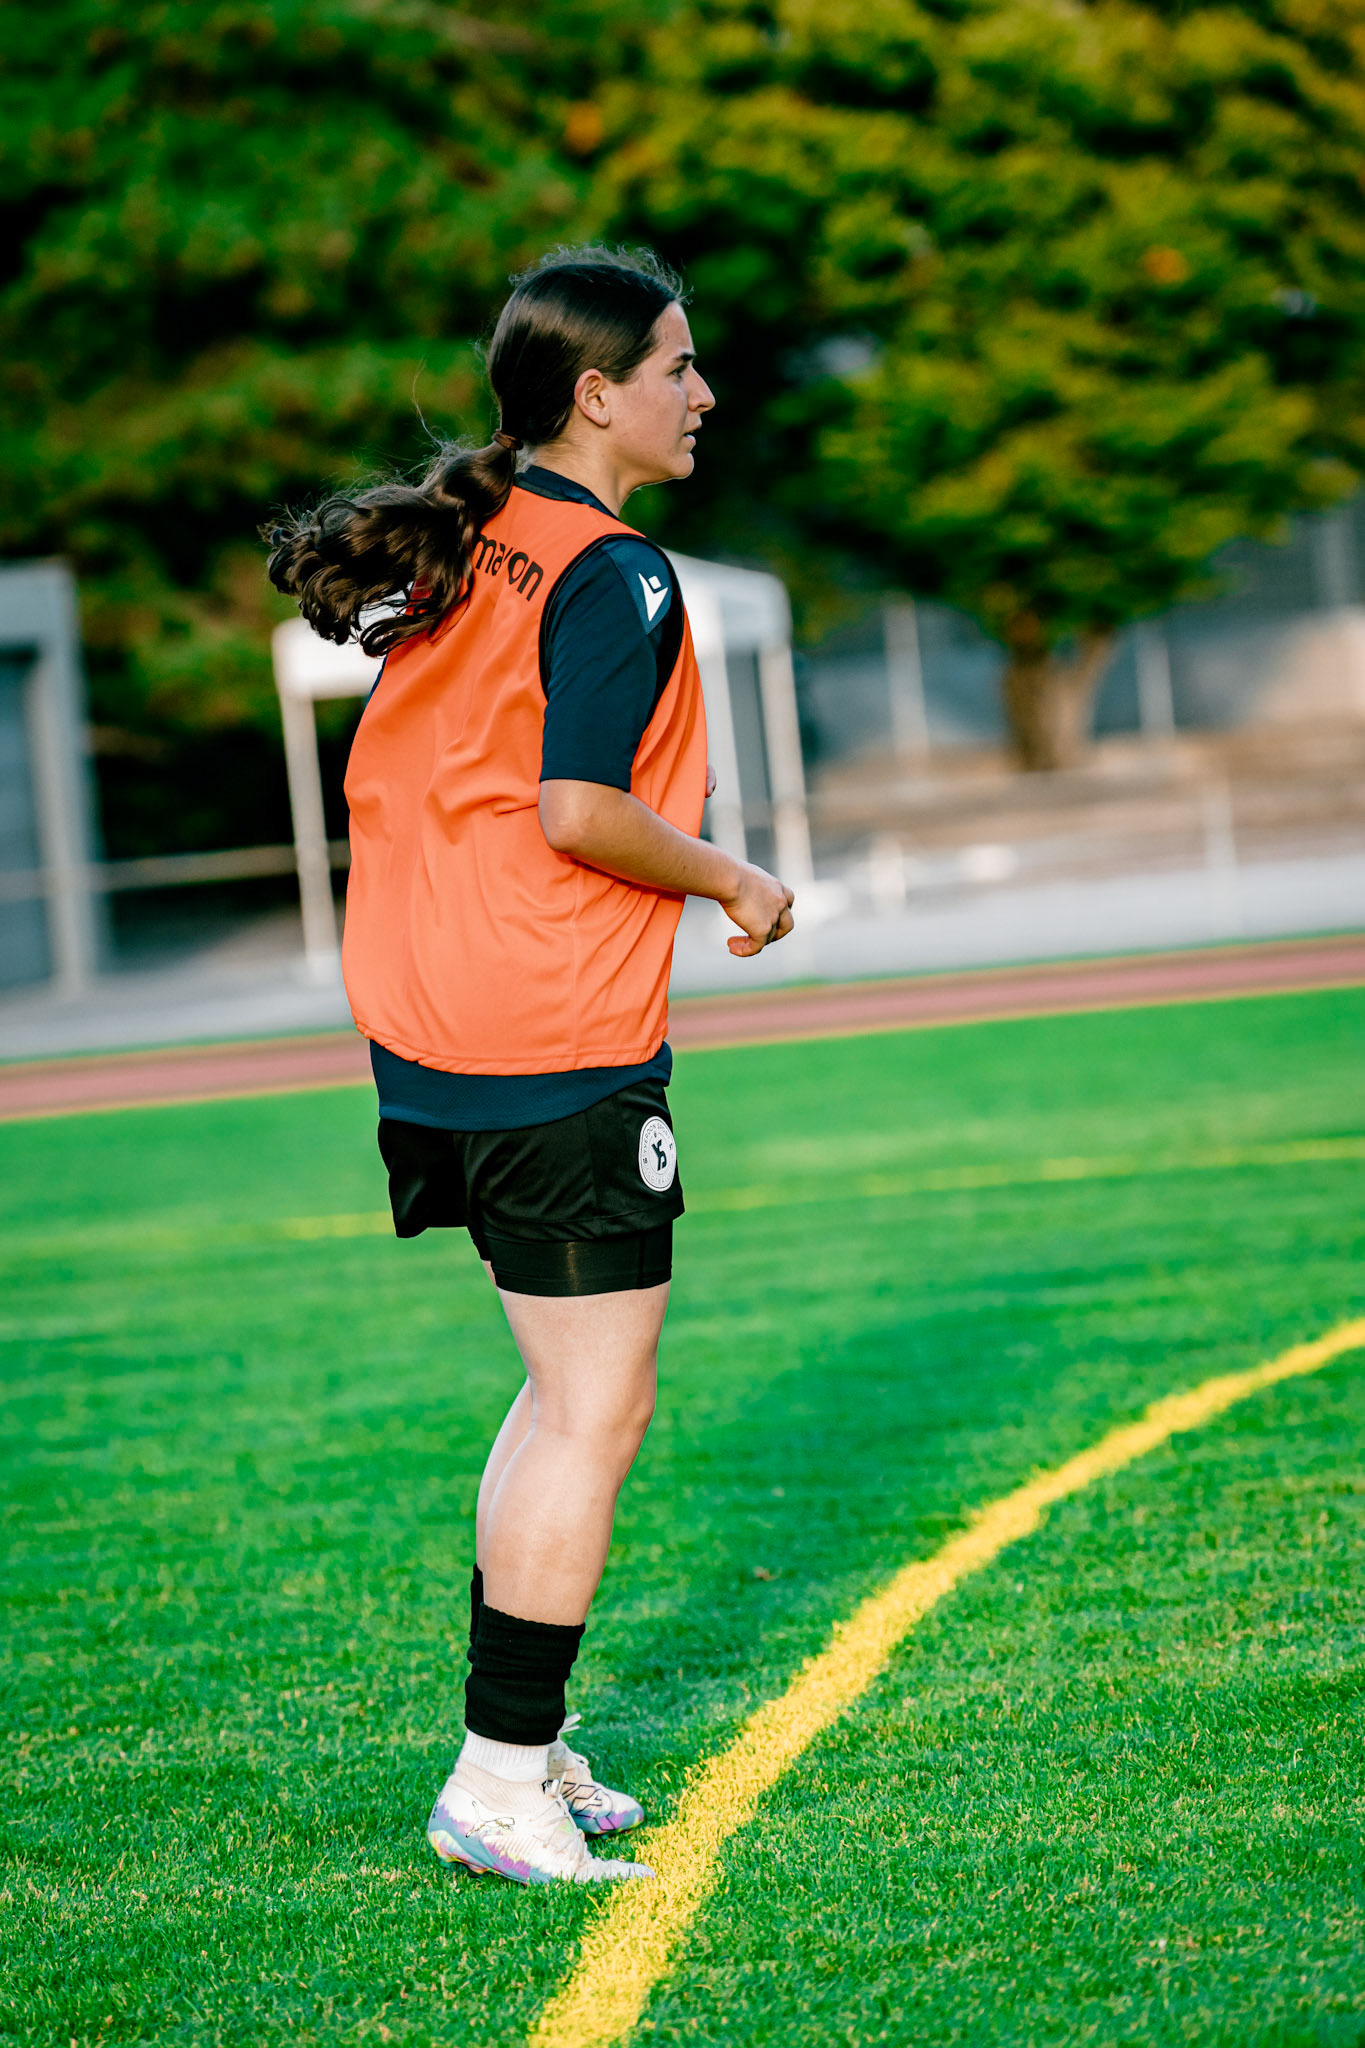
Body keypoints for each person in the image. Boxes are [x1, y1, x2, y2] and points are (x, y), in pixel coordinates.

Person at [267, 247, 794, 1886]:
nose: (702, 394)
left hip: (428, 1023)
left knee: (558, 1396)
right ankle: (496, 1785)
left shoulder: (480, 533)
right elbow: (578, 810)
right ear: (596, 393)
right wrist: (732, 877)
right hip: (546, 1031)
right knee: (594, 1408)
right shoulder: (614, 568)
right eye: (679, 367)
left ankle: (525, 1743)